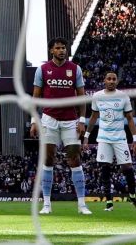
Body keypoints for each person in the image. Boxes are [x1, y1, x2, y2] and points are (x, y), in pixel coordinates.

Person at [30, 37, 91, 215]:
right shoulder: (42, 70)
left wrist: (82, 120)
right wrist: (34, 121)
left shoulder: (75, 69)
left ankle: (81, 204)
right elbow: (35, 97)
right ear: (51, 51)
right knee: (48, 159)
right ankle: (47, 204)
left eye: (64, 48)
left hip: (70, 120)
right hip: (49, 119)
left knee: (75, 159)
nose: (62, 50)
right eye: (58, 48)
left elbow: (82, 97)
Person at [83, 72, 136, 212]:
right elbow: (93, 117)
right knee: (105, 168)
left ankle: (133, 197)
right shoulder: (97, 96)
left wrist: (135, 139)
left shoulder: (123, 96)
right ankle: (109, 202)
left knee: (127, 168)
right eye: (108, 79)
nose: (111, 81)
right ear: (104, 80)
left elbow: (129, 118)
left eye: (114, 79)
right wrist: (86, 135)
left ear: (117, 81)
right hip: (103, 138)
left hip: (120, 138)